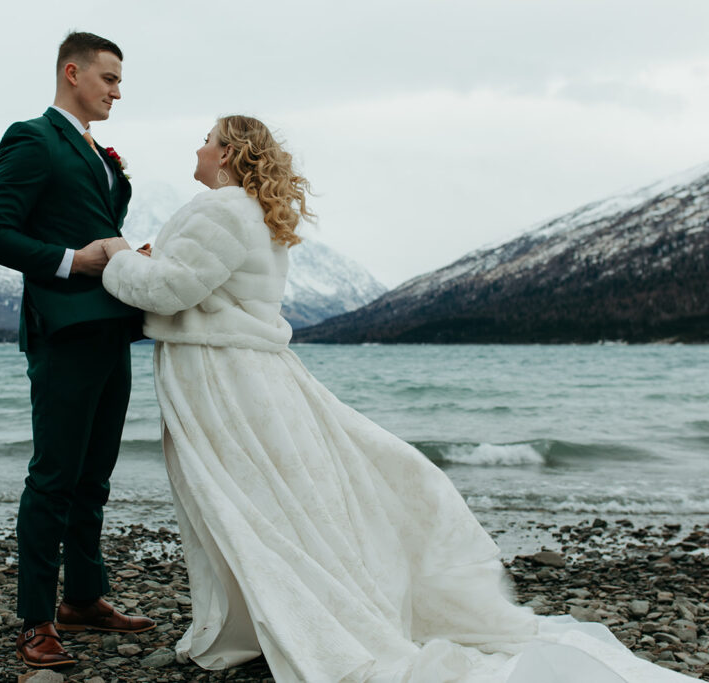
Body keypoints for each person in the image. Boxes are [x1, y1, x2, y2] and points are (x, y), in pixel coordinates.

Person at [99, 115, 696, 682]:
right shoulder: (253, 213)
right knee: (264, 502)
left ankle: (273, 625)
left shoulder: (222, 207)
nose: (198, 149)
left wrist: (118, 257)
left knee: (240, 501)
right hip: (245, 372)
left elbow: (175, 289)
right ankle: (262, 621)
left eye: (207, 139)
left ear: (228, 152)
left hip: (220, 376)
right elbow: (206, 285)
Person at [0, 31, 154, 670]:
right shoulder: (32, 138)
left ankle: (83, 598)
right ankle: (35, 621)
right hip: (65, 329)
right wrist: (74, 260)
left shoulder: (98, 152)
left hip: (113, 328)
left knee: (94, 477)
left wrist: (130, 258)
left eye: (120, 81)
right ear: (72, 72)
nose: (117, 91)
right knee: (53, 477)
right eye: (108, 79)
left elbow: (97, 229)